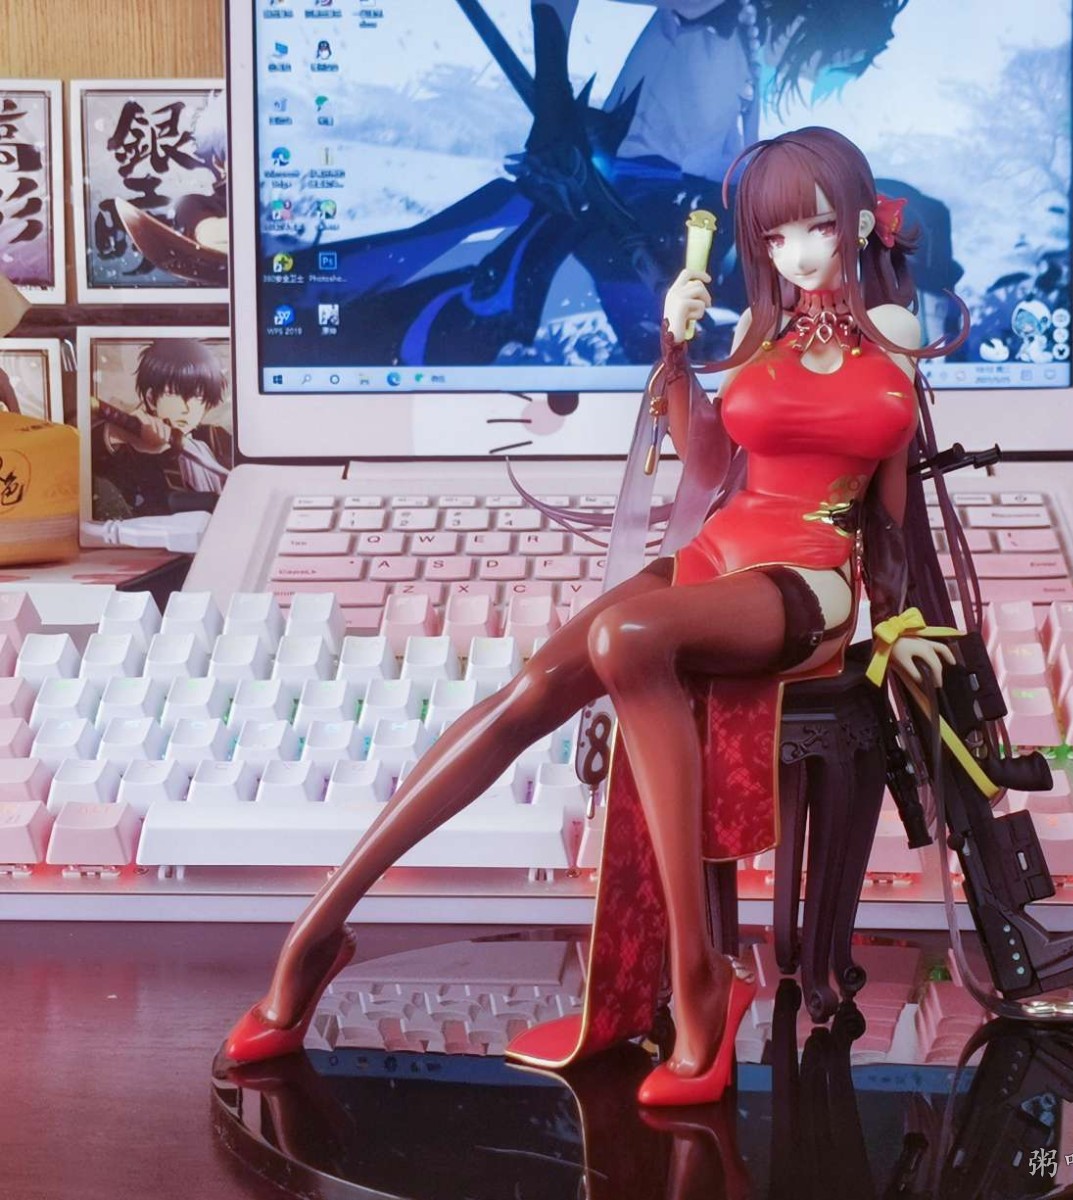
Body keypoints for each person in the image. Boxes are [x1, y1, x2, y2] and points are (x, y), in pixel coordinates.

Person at [218, 127, 973, 1106]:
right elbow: (710, 461)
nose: (797, 252)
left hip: (812, 575)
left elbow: (893, 512)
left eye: (818, 226)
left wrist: (900, 627)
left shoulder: (897, 338)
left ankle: (698, 980)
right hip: (719, 551)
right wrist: (676, 350)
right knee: (531, 690)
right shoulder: (758, 333)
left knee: (626, 641)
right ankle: (316, 932)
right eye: (775, 235)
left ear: (859, 222)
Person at [90, 338, 230, 520]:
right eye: (173, 394)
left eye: (197, 398)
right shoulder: (130, 447)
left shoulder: (216, 438)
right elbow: (86, 454)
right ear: (151, 398)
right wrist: (119, 434)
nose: (186, 409)